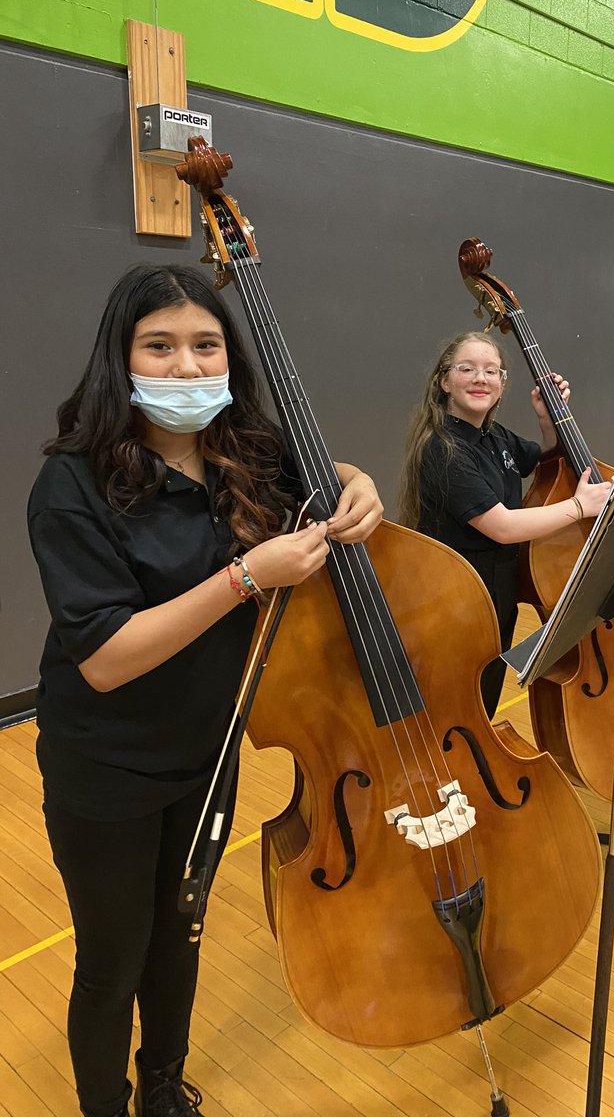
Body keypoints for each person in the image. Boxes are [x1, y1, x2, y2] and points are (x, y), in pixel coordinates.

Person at [27, 264, 383, 1117]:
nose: (186, 367)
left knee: (180, 936)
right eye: (159, 346)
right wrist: (244, 578)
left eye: (205, 345)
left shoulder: (249, 456)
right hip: (105, 770)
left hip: (208, 753)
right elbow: (108, 658)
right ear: (122, 359)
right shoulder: (71, 485)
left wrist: (356, 479)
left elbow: (321, 469)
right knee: (114, 961)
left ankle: (161, 1088)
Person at [398, 331, 609, 717]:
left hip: (498, 589)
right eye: (468, 369)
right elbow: (503, 526)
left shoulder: (494, 436)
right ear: (445, 381)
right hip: (458, 596)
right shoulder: (441, 449)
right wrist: (580, 506)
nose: (481, 378)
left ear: (502, 385)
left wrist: (548, 421)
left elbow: (542, 458)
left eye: (491, 371)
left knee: (484, 696)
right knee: (458, 701)